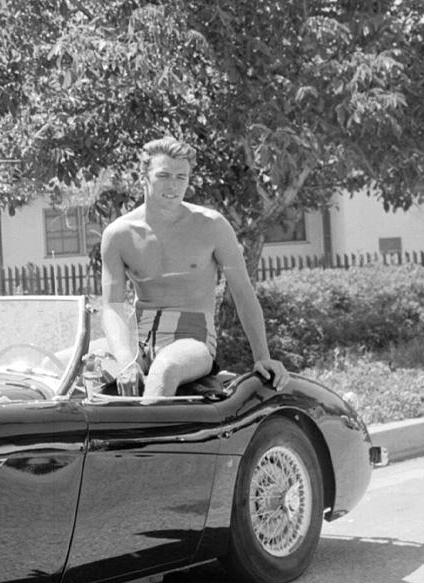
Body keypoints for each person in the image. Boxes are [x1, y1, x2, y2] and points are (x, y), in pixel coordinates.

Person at [101, 136, 288, 398]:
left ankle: (148, 439)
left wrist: (262, 357)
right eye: (164, 175)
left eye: (181, 177)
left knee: (165, 368)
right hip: (138, 338)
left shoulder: (212, 226)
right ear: (143, 176)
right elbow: (111, 306)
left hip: (192, 341)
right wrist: (124, 360)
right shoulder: (118, 234)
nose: (173, 185)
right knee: (70, 366)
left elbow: (243, 292)